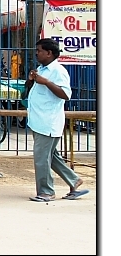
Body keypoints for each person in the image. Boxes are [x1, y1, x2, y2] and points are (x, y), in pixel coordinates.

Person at [25, 38, 88, 202]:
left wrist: (46, 82)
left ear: (49, 53)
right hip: (38, 120)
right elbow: (31, 90)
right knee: (51, 157)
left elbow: (66, 95)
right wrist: (31, 80)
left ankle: (46, 192)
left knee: (41, 158)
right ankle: (74, 180)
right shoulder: (42, 69)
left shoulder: (58, 71)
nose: (36, 53)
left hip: (48, 122)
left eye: (39, 50)